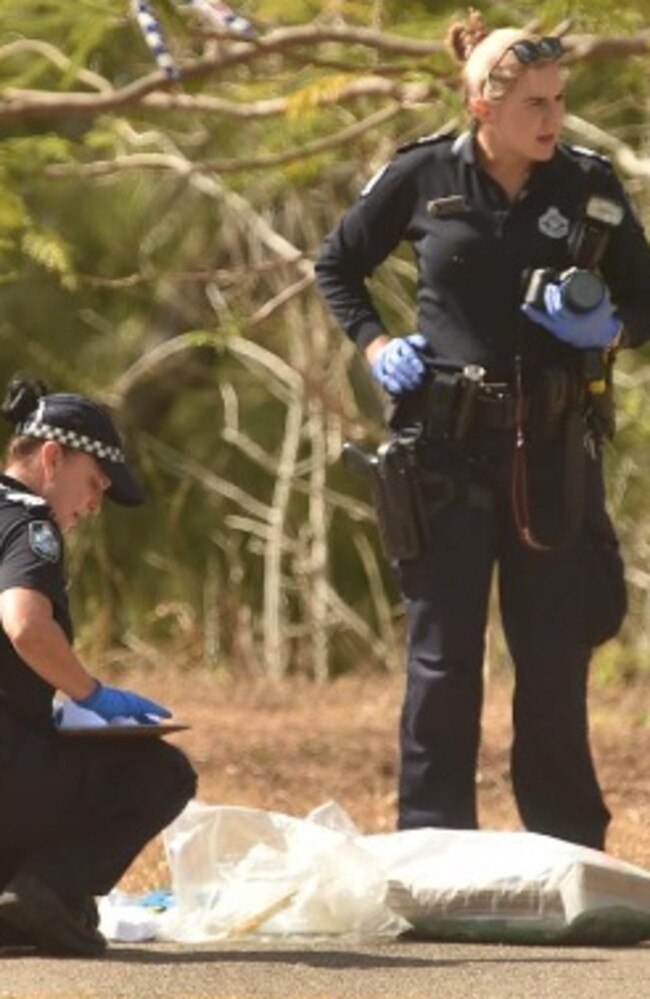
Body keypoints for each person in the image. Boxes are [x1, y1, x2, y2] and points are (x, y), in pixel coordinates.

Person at [315, 12, 650, 850]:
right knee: (443, 661)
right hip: (446, 447)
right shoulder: (423, 174)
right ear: (481, 107)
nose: (552, 119)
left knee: (552, 662)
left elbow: (648, 299)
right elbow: (337, 265)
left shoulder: (588, 185)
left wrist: (606, 330)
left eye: (559, 100)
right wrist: (379, 344)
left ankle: (568, 842)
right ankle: (433, 843)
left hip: (550, 451)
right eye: (534, 102)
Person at [0, 376, 197, 956]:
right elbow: (25, 625)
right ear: (53, 457)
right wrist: (89, 693)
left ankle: (20, 910)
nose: (93, 505)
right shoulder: (29, 524)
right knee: (162, 773)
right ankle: (43, 890)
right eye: (94, 483)